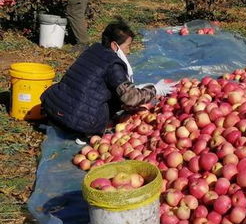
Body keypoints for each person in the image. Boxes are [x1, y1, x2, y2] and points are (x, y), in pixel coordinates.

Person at [41, 20, 176, 138]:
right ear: (114, 45)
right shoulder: (114, 64)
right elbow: (130, 98)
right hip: (80, 122)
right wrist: (154, 89)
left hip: (54, 109)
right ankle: (86, 135)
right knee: (119, 100)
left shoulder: (93, 50)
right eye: (127, 46)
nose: (129, 51)